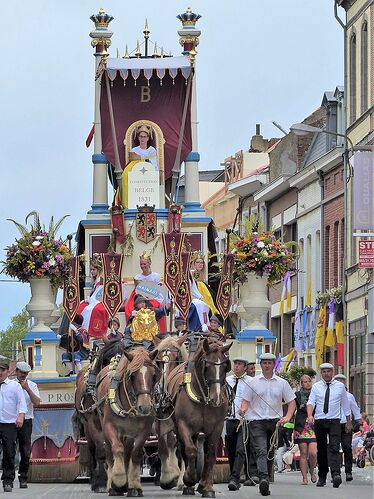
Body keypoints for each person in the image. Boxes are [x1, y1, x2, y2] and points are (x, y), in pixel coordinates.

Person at [239, 353, 296, 497]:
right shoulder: (253, 382)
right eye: (264, 363)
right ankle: (263, 478)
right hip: (256, 422)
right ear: (261, 364)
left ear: (273, 365)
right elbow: (246, 401)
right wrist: (243, 410)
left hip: (275, 423)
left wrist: (287, 417)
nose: (266, 365)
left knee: (270, 452)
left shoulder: (282, 383)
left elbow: (292, 402)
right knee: (261, 450)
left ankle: (267, 476)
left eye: (269, 363)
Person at [307, 363, 351, 489]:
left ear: (333, 372)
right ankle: (322, 476)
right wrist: (310, 415)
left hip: (334, 421)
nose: (326, 374)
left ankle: (336, 474)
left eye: (328, 371)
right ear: (321, 373)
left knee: (334, 447)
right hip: (320, 420)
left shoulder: (340, 387)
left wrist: (348, 422)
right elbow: (311, 402)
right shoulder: (316, 387)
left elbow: (345, 405)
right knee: (321, 449)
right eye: (324, 371)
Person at [0, 356, 27, 493]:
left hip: (9, 423)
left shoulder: (14, 386)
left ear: (8, 371)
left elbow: (22, 403)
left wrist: (21, 416)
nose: (0, 372)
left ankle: (8, 480)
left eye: (2, 369)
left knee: (9, 452)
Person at [226, 357, 252, 491]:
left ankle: (235, 478)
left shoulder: (251, 382)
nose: (236, 366)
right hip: (230, 419)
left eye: (240, 364)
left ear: (245, 367)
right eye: (235, 364)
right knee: (230, 449)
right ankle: (233, 474)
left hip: (244, 420)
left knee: (240, 449)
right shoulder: (227, 380)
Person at [14, 362, 41, 489]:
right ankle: (8, 476)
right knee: (8, 449)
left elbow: (37, 403)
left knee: (25, 451)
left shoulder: (32, 385)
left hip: (26, 420)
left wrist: (27, 389)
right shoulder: (10, 385)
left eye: (26, 373)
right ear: (16, 371)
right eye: (21, 373)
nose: (23, 375)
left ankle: (23, 476)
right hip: (10, 421)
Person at [333, 373, 361, 482]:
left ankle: (348, 471)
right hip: (334, 424)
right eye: (338, 381)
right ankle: (336, 472)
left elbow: (355, 409)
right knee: (334, 448)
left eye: (342, 381)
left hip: (346, 424)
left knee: (347, 447)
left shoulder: (349, 396)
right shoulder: (332, 395)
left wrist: (359, 421)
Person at [122, 125, 158, 208]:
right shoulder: (134, 150)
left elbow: (154, 166)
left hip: (148, 177)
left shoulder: (152, 150)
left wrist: (143, 161)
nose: (143, 139)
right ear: (138, 138)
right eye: (141, 136)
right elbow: (131, 165)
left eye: (145, 137)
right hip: (136, 177)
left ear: (148, 138)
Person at [294, 375, 317, 485]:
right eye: (304, 382)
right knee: (303, 452)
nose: (307, 383)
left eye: (308, 381)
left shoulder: (316, 393)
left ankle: (312, 470)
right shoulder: (297, 395)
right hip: (301, 426)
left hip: (314, 426)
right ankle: (304, 477)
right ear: (301, 384)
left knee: (313, 453)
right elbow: (293, 408)